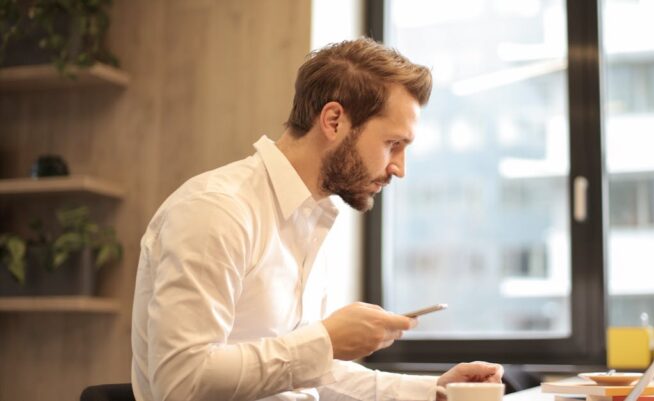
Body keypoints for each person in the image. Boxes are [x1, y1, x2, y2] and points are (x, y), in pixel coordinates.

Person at [131, 37, 503, 401]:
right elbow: (181, 383)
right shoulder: (216, 209)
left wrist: (433, 391)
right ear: (334, 120)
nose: (399, 168)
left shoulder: (309, 221)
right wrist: (324, 341)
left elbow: (306, 373)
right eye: (393, 144)